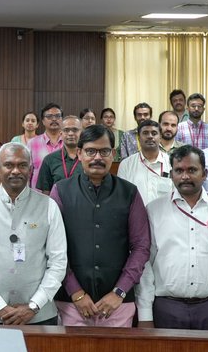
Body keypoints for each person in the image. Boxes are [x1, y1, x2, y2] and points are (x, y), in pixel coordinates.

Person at [51, 126, 149, 328]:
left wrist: (119, 291)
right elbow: (53, 248)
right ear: (79, 153)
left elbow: (141, 246)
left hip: (118, 304)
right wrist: (75, 292)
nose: (98, 157)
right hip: (70, 303)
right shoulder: (61, 191)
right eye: (90, 151)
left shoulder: (129, 193)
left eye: (104, 151)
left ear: (113, 154)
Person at [139, 144, 208, 331]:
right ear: (172, 174)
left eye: (192, 170)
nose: (185, 176)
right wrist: (145, 314)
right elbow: (145, 267)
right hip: (166, 308)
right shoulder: (153, 210)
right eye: (179, 170)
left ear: (205, 173)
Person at [0, 142, 68, 325]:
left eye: (22, 165)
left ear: (31, 169)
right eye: (9, 165)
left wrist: (34, 306)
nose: (15, 171)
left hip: (39, 315)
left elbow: (58, 263)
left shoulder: (49, 206)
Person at [117, 119, 173, 204]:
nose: (150, 136)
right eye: (145, 133)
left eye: (154, 133)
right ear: (139, 138)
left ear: (160, 137)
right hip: (135, 215)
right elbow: (121, 196)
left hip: (165, 215)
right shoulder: (126, 165)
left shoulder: (171, 163)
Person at [35, 115, 83, 193]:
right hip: (57, 204)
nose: (70, 133)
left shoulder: (89, 158)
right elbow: (46, 193)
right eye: (66, 130)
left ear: (81, 132)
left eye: (75, 130)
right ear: (60, 133)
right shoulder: (49, 160)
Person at [29, 102, 64, 188]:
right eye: (49, 116)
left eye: (57, 116)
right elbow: (27, 172)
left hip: (64, 193)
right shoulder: (32, 143)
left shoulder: (69, 143)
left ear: (62, 119)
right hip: (38, 195)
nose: (54, 119)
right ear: (43, 121)